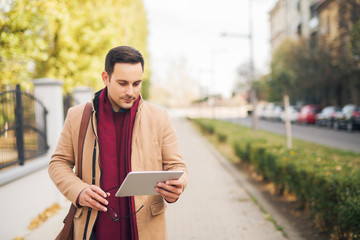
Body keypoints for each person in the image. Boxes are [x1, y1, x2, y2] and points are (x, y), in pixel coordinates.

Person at [49, 46, 188, 240]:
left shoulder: (159, 117)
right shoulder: (77, 116)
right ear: (106, 78)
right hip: (93, 228)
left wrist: (178, 184)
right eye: (123, 83)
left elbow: (177, 166)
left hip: (145, 229)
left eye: (136, 83)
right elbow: (58, 162)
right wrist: (78, 191)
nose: (130, 91)